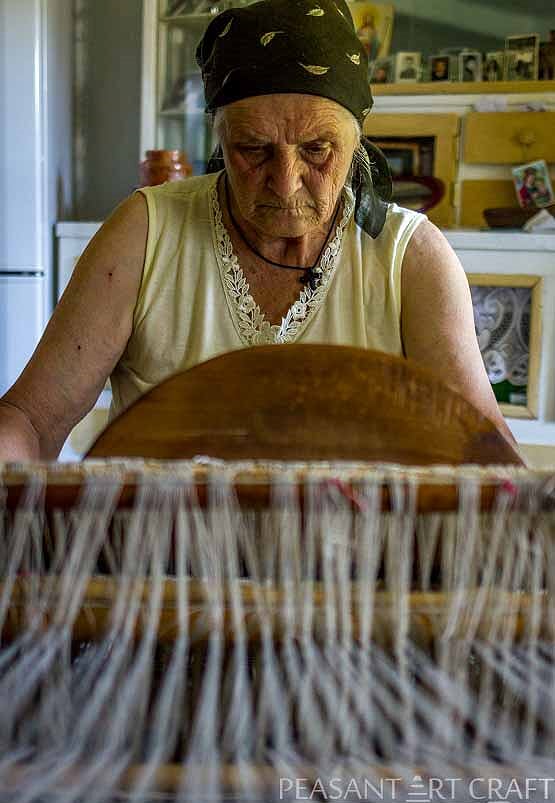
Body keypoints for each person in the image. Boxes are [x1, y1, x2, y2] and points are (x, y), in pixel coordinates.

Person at [0, 0, 516, 460]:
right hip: (166, 561)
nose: (286, 182)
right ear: (220, 140)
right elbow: (30, 419)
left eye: (316, 149)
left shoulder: (410, 258)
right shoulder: (146, 233)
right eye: (254, 150)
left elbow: (483, 450)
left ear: (358, 142)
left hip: (354, 566)